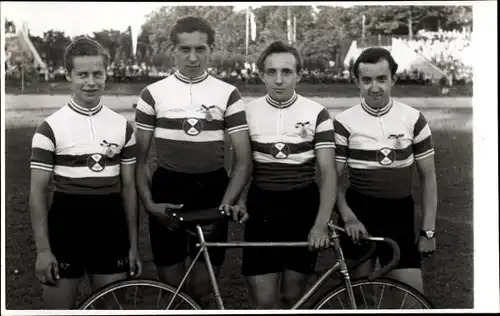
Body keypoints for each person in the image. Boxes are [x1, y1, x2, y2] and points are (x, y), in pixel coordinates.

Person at [134, 16, 252, 307]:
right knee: (171, 289)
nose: (192, 57)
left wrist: (226, 203)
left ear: (211, 50)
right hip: (168, 189)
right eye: (185, 49)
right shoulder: (152, 94)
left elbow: (244, 160)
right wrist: (150, 205)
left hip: (212, 189)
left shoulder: (228, 93)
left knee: (203, 288)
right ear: (172, 50)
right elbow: (139, 160)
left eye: (200, 49)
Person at [29, 36, 141, 309]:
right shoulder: (50, 128)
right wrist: (44, 250)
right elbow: (37, 191)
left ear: (106, 74)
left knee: (113, 309)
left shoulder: (122, 126)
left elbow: (128, 189)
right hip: (66, 225)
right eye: (82, 74)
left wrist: (133, 245)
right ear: (68, 76)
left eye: (97, 74)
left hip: (110, 224)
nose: (91, 82)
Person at [237, 41, 337, 309]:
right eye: (271, 72)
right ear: (261, 74)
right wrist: (238, 199)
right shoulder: (247, 113)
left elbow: (327, 173)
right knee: (264, 303)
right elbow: (240, 165)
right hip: (262, 208)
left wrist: (320, 223)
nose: (279, 80)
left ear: (299, 74)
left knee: (292, 299)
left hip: (302, 207)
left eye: (286, 72)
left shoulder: (317, 113)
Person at [333, 47, 438, 295]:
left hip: (399, 214)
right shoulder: (344, 122)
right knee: (361, 298)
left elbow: (428, 177)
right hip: (359, 213)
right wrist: (348, 217)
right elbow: (331, 179)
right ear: (356, 81)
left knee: (412, 297)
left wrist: (428, 231)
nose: (375, 87)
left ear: (393, 79)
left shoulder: (413, 119)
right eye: (367, 80)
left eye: (381, 79)